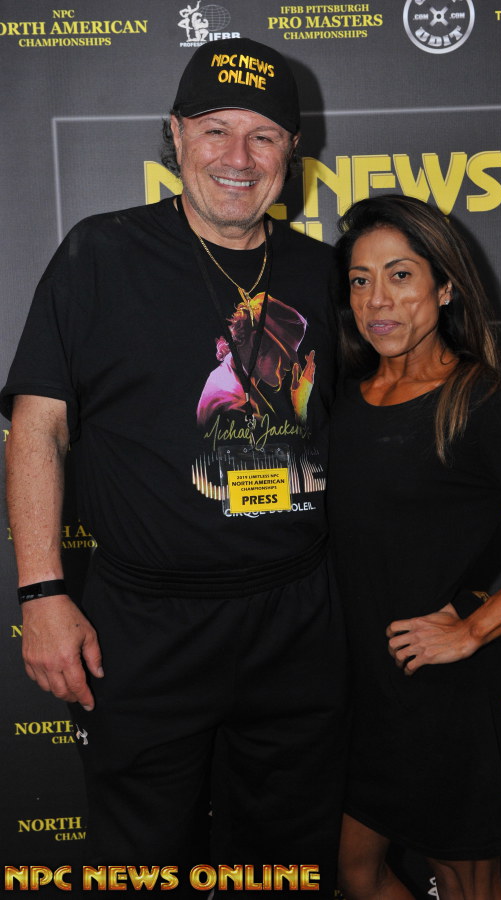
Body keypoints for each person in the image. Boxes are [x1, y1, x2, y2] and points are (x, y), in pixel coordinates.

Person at [1, 38, 347, 894]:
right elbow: (37, 429)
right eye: (215, 129)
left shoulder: (323, 272)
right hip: (145, 629)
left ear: (292, 151)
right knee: (139, 865)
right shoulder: (100, 254)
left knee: (283, 868)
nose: (238, 157)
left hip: (297, 623)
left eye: (263, 135)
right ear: (175, 134)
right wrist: (41, 594)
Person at [327, 194, 501, 900]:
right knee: (353, 872)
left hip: (439, 696)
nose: (377, 300)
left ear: (444, 287)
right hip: (357, 690)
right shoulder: (343, 398)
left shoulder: (479, 399)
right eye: (359, 280)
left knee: (469, 889)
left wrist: (472, 628)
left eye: (400, 275)